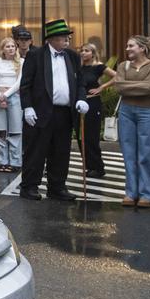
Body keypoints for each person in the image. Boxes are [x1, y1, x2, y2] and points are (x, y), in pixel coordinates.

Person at [18, 19, 89, 202]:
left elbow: (80, 82)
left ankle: (57, 187)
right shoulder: (36, 55)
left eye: (67, 38)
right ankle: (29, 187)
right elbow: (25, 85)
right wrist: (27, 107)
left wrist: (81, 99)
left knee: (61, 151)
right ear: (50, 39)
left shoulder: (72, 57)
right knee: (36, 151)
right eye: (62, 38)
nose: (66, 42)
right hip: (40, 111)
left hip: (64, 113)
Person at [103, 35, 150, 208]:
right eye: (127, 46)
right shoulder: (123, 65)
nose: (127, 49)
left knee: (147, 153)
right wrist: (137, 86)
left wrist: (128, 86)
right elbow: (119, 87)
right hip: (126, 111)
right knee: (128, 153)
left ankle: (148, 194)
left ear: (143, 48)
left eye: (131, 46)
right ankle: (131, 193)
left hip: (148, 111)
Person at [77, 43, 116, 179]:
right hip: (79, 103)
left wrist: (102, 87)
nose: (83, 53)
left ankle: (98, 167)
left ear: (93, 53)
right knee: (82, 137)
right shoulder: (79, 67)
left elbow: (117, 77)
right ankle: (89, 166)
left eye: (86, 51)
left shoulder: (99, 66)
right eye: (82, 51)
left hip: (93, 103)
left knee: (92, 137)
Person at [0, 37, 23, 173]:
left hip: (14, 97)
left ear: (16, 48)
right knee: (1, 130)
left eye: (13, 46)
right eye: (7, 46)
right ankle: (3, 162)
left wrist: (6, 95)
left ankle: (15, 162)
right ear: (3, 49)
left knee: (15, 131)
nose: (11, 48)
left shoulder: (21, 62)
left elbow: (19, 83)